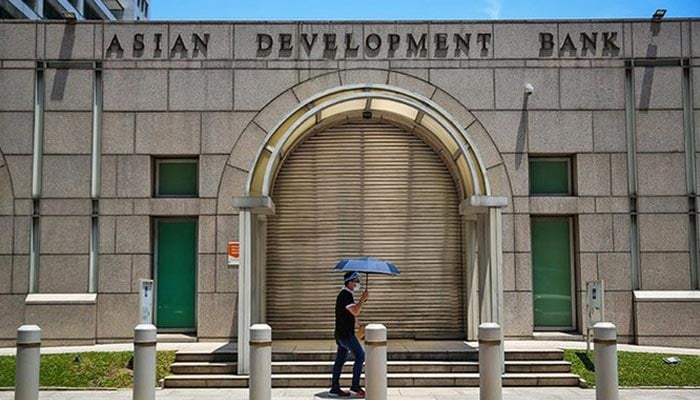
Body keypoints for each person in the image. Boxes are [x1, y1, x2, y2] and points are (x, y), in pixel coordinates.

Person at [329, 271, 369, 397]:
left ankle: (335, 388)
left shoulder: (345, 295)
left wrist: (358, 323)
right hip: (346, 335)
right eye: (356, 281)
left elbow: (349, 313)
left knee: (340, 360)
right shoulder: (345, 295)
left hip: (341, 334)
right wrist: (362, 299)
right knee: (360, 356)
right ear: (350, 282)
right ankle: (355, 387)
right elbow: (355, 311)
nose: (358, 284)